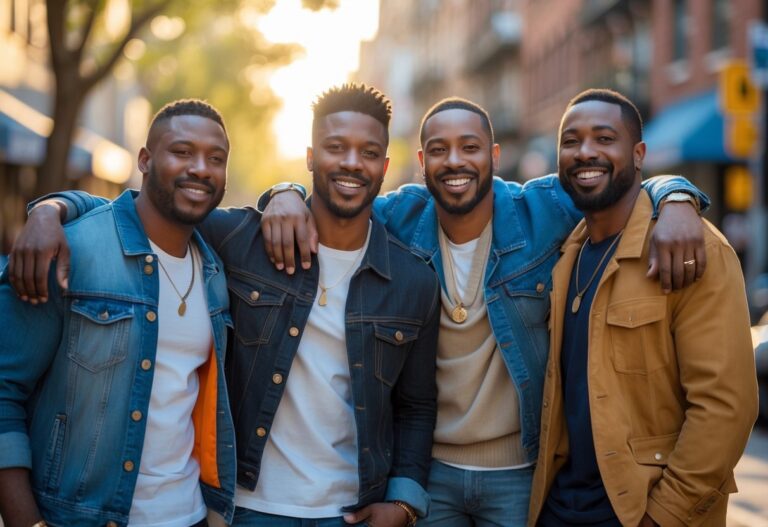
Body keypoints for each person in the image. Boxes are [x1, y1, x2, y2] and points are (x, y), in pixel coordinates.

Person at [255, 97, 710, 525]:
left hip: (520, 468)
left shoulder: (543, 209)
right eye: (439, 150)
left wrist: (676, 197)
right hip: (430, 471)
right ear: (421, 163)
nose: (454, 161)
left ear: (493, 155)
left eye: (469, 148)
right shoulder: (398, 216)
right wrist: (285, 191)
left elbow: (616, 183)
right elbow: (338, 194)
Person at [9, 84, 440, 527]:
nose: (351, 162)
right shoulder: (242, 242)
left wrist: (404, 504)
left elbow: (417, 404)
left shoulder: (413, 281)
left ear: (385, 166)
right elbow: (137, 215)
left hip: (349, 512)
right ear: (311, 157)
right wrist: (50, 209)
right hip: (248, 508)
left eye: (368, 152)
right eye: (335, 148)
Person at [0, 100, 237, 527]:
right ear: (144, 160)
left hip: (191, 515)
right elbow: (3, 390)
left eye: (215, 158)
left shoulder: (216, 273)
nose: (201, 168)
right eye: (182, 152)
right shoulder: (72, 251)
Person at [528, 89, 758, 527]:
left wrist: (664, 515)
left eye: (604, 138)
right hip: (558, 508)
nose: (586, 152)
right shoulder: (564, 253)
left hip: (641, 511)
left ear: (638, 155)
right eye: (571, 141)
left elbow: (726, 407)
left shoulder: (692, 248)